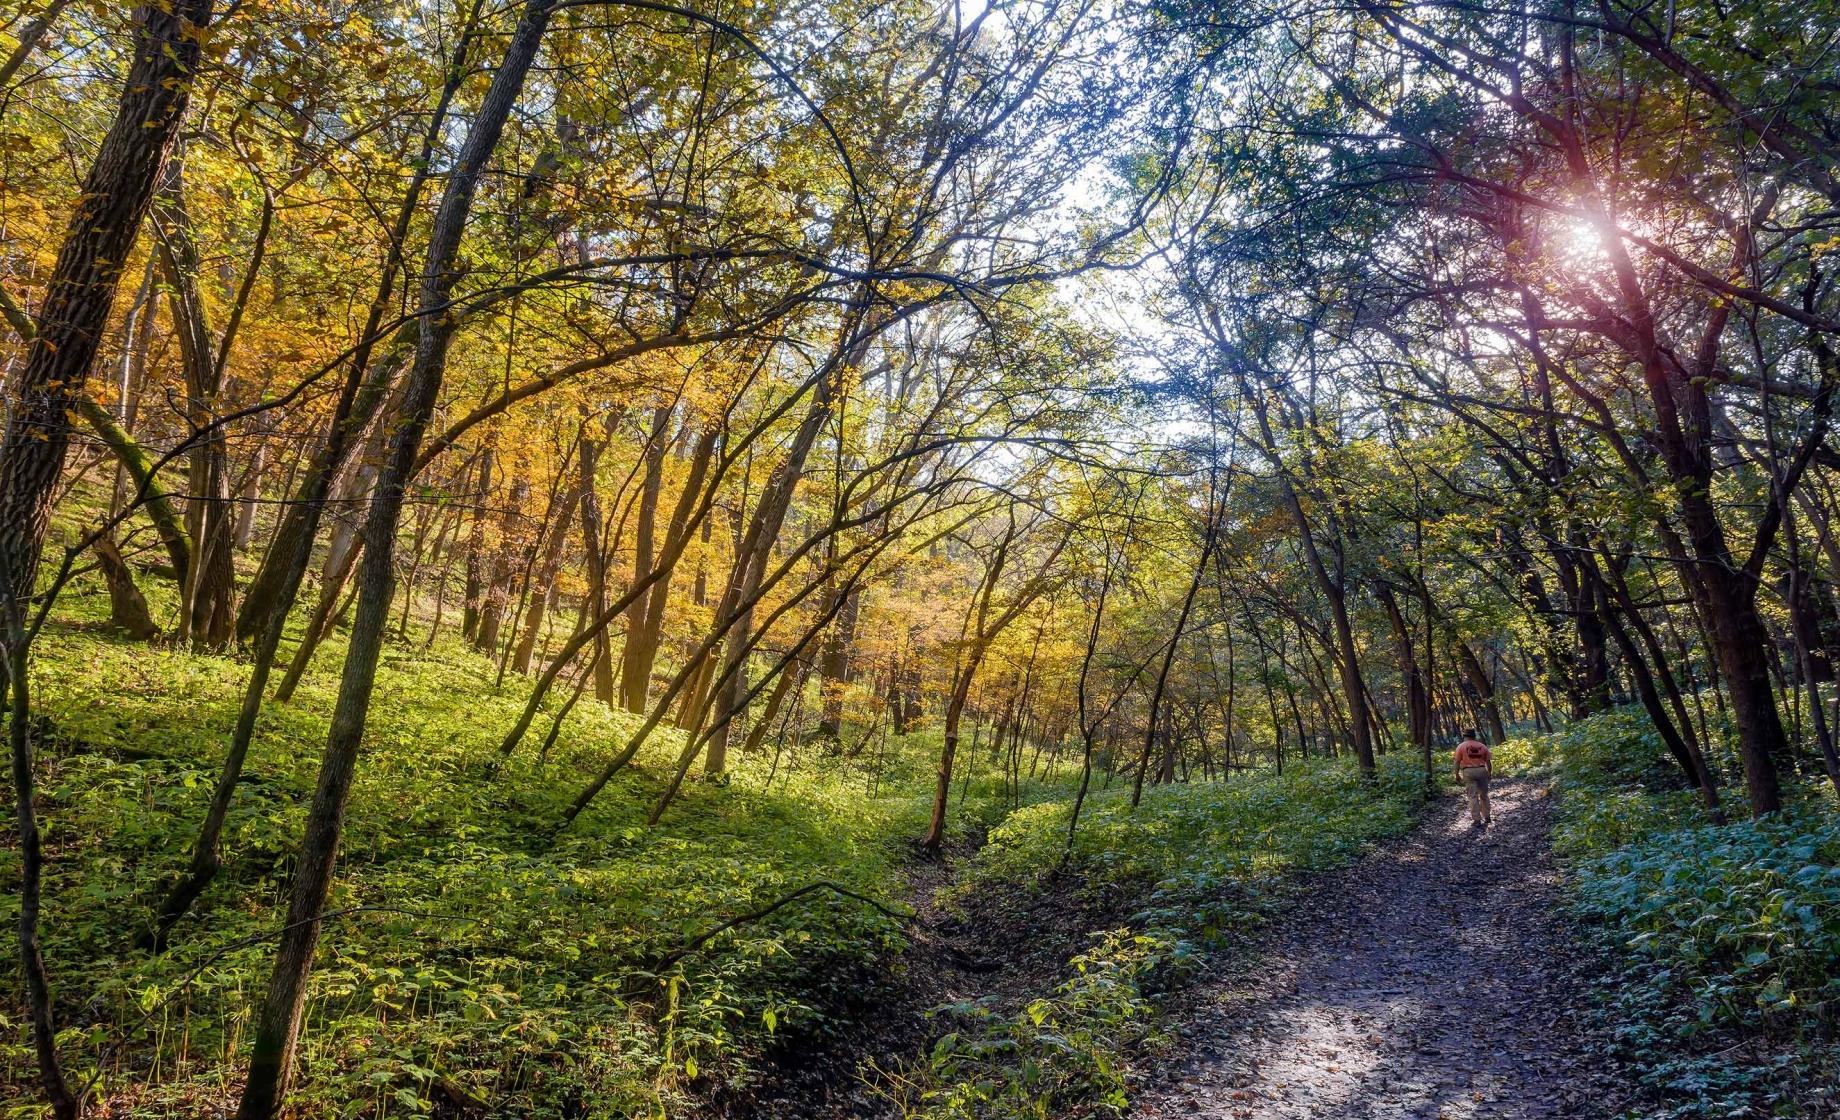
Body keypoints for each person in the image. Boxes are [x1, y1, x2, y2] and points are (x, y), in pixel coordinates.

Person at [1454, 729, 1493, 826]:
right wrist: (1489, 772)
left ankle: (1477, 820)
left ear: (1465, 736)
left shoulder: (1461, 746)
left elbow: (1457, 762)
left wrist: (1456, 774)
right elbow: (1488, 761)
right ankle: (1487, 817)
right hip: (1481, 770)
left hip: (1468, 771)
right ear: (1474, 736)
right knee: (1484, 795)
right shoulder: (1482, 746)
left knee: (1472, 796)